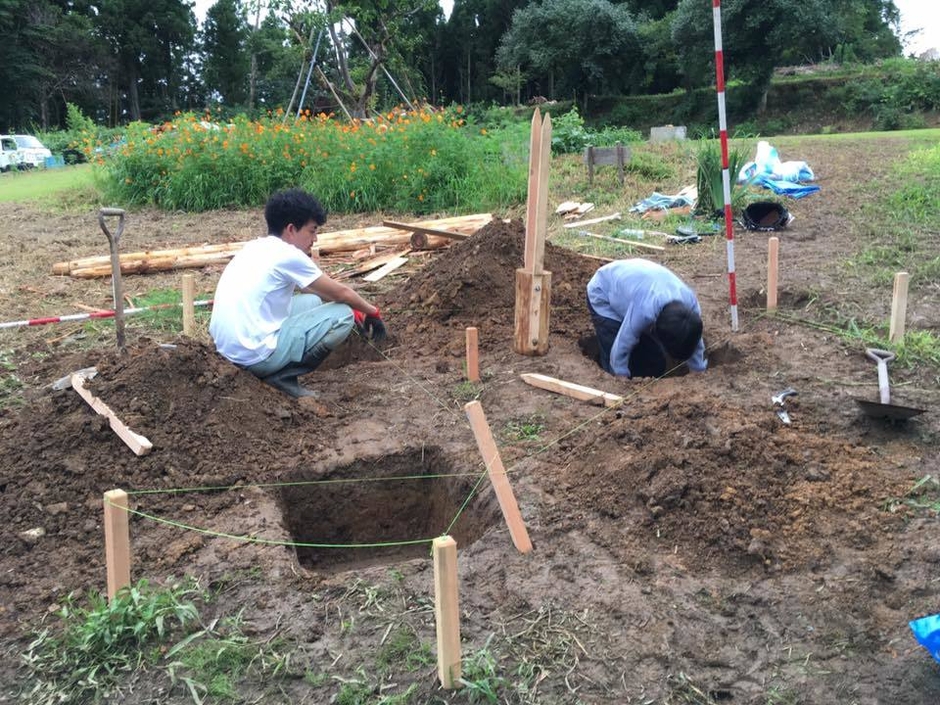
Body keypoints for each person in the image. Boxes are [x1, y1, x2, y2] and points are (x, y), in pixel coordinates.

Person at [209, 188, 386, 398]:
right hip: (254, 356)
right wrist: (371, 311)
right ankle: (282, 377)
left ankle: (276, 368)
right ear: (291, 229)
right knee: (342, 316)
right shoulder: (288, 255)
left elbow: (312, 288)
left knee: (311, 301)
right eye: (312, 231)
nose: (315, 238)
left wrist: (352, 304)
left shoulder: (256, 247)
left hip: (230, 351)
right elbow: (341, 293)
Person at [586, 258, 706, 378]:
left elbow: (693, 338)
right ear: (655, 328)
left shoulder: (691, 306)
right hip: (603, 292)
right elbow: (623, 341)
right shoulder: (644, 310)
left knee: (654, 363)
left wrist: (698, 369)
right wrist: (620, 376)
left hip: (635, 286)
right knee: (613, 351)